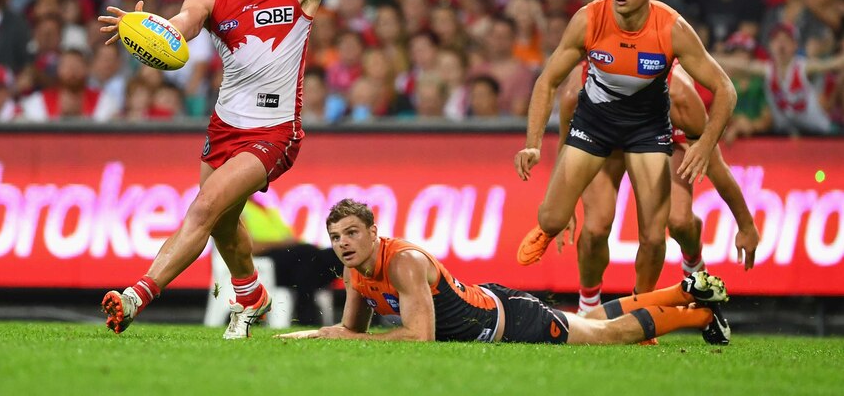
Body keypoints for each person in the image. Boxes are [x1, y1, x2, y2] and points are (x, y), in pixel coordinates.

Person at [98, 0, 418, 338]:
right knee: (225, 224)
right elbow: (182, 26)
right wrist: (152, 31)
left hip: (273, 131)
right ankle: (252, 297)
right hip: (225, 127)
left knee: (205, 208)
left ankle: (136, 295)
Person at [514, 0, 737, 297]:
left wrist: (706, 143)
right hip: (594, 126)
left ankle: (640, 310)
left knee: (652, 234)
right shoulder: (589, 18)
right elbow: (547, 82)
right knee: (552, 220)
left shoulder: (672, 28)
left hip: (646, 131)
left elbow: (726, 89)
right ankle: (561, 249)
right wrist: (532, 144)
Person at [277, 200, 732, 345]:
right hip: (490, 304)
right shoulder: (355, 271)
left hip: (507, 322)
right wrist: (313, 337)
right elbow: (350, 331)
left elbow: (420, 337)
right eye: (337, 237)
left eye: (352, 233)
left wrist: (349, 339)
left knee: (605, 335)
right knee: (592, 320)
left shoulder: (403, 262)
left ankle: (697, 315)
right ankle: (683, 291)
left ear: (374, 232)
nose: (344, 244)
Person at [556, 61, 759, 314]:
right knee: (596, 228)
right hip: (607, 134)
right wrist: (562, 205)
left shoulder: (680, 99)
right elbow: (568, 146)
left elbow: (716, 167)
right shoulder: (579, 91)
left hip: (661, 136)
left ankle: (667, 286)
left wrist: (746, 225)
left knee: (678, 223)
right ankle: (587, 307)